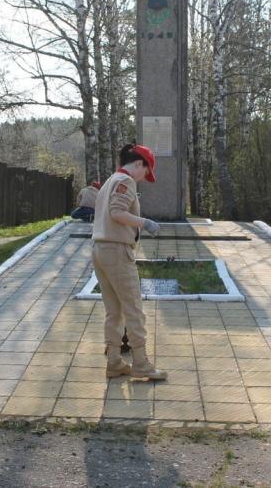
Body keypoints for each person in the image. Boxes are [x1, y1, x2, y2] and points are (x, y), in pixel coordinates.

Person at [91, 144, 166, 380]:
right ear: (139, 164)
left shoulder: (109, 181)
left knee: (114, 311)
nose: (144, 178)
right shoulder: (126, 182)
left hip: (100, 249)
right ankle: (141, 363)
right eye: (147, 171)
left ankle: (114, 361)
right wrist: (145, 223)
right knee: (133, 308)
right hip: (116, 250)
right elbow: (117, 212)